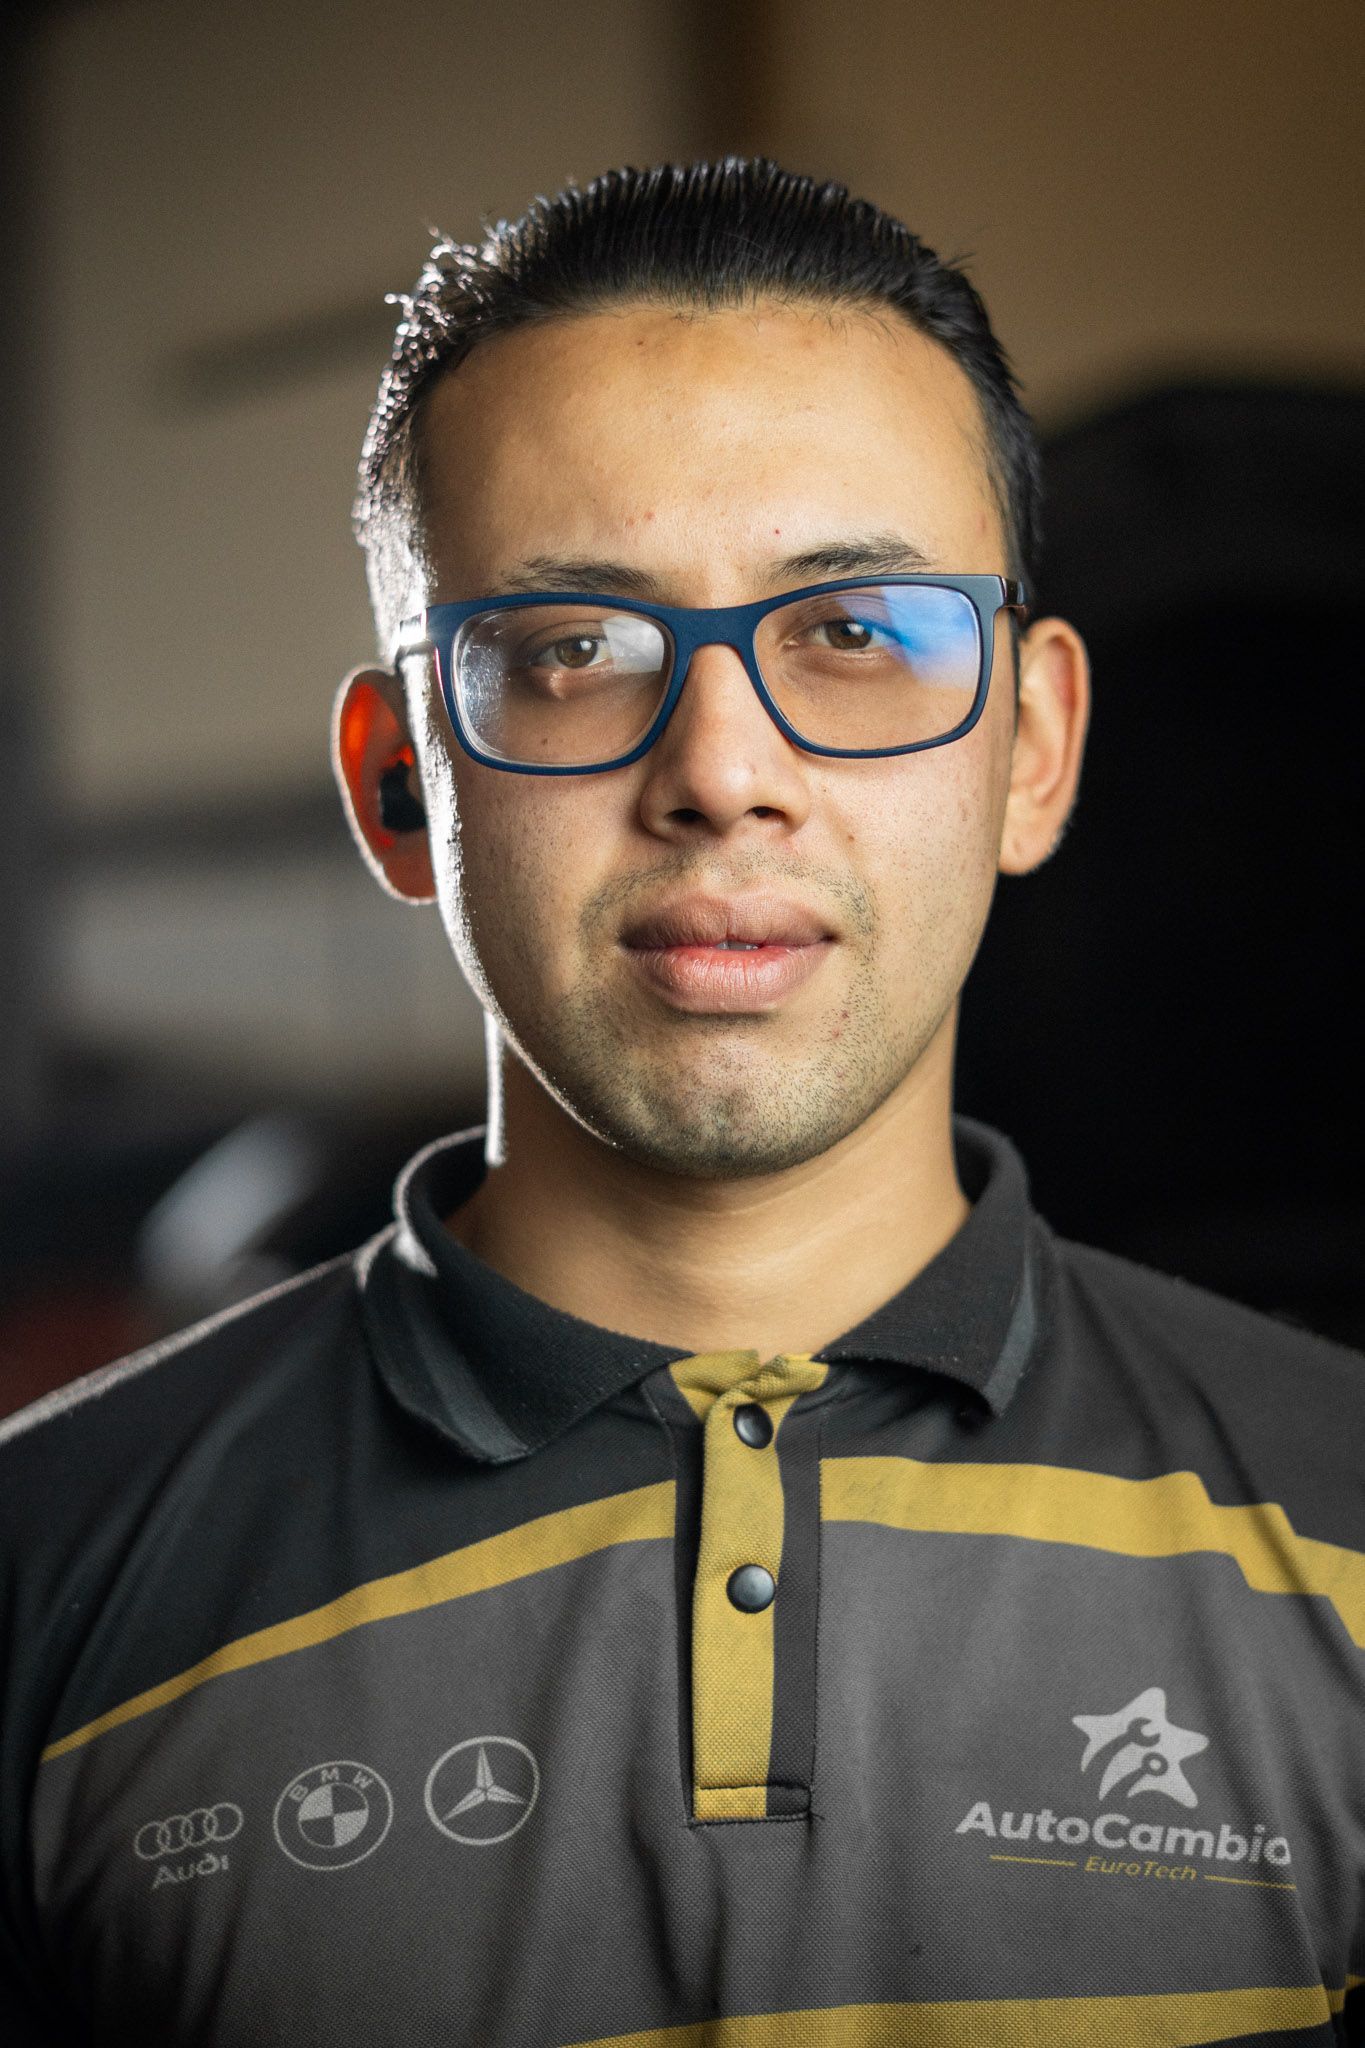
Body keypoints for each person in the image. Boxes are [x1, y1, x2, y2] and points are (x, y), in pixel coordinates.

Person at [2, 159, 1361, 2047]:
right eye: (571, 651)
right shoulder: (43, 1575)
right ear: (402, 785)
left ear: (1034, 750)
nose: (723, 772)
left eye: (857, 632)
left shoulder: (1348, 1519)